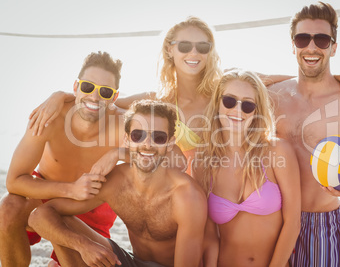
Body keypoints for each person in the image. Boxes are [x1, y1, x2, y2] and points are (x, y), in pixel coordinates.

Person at [28, 16, 340, 176]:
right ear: (170, 50)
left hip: (220, 198)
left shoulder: (225, 92)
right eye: (185, 45)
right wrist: (60, 95)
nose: (194, 52)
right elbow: (101, 102)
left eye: (202, 46)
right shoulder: (156, 100)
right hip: (179, 201)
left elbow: (289, 79)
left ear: (210, 52)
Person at [269, 2, 340, 266]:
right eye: (302, 38)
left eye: (321, 40)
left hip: (321, 223)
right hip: (272, 218)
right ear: (293, 45)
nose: (311, 47)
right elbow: (234, 79)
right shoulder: (272, 96)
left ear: (333, 47)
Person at [28, 100, 207, 267]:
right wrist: (84, 246)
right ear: (127, 139)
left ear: (170, 143)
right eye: (138, 135)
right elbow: (38, 217)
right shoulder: (117, 181)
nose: (147, 144)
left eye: (158, 137)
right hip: (132, 261)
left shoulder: (187, 197)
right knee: (62, 222)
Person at [0, 51, 125, 267]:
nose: (94, 97)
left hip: (90, 208)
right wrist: (71, 189)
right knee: (7, 209)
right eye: (87, 87)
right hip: (46, 192)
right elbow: (14, 181)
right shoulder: (49, 117)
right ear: (76, 87)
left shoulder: (123, 124)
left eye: (105, 92)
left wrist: (119, 153)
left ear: (114, 97)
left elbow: (158, 104)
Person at [193, 69, 300, 266]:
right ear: (217, 103)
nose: (238, 110)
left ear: (257, 111)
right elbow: (209, 235)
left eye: (248, 105)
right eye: (229, 101)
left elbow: (293, 222)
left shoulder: (276, 151)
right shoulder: (203, 161)